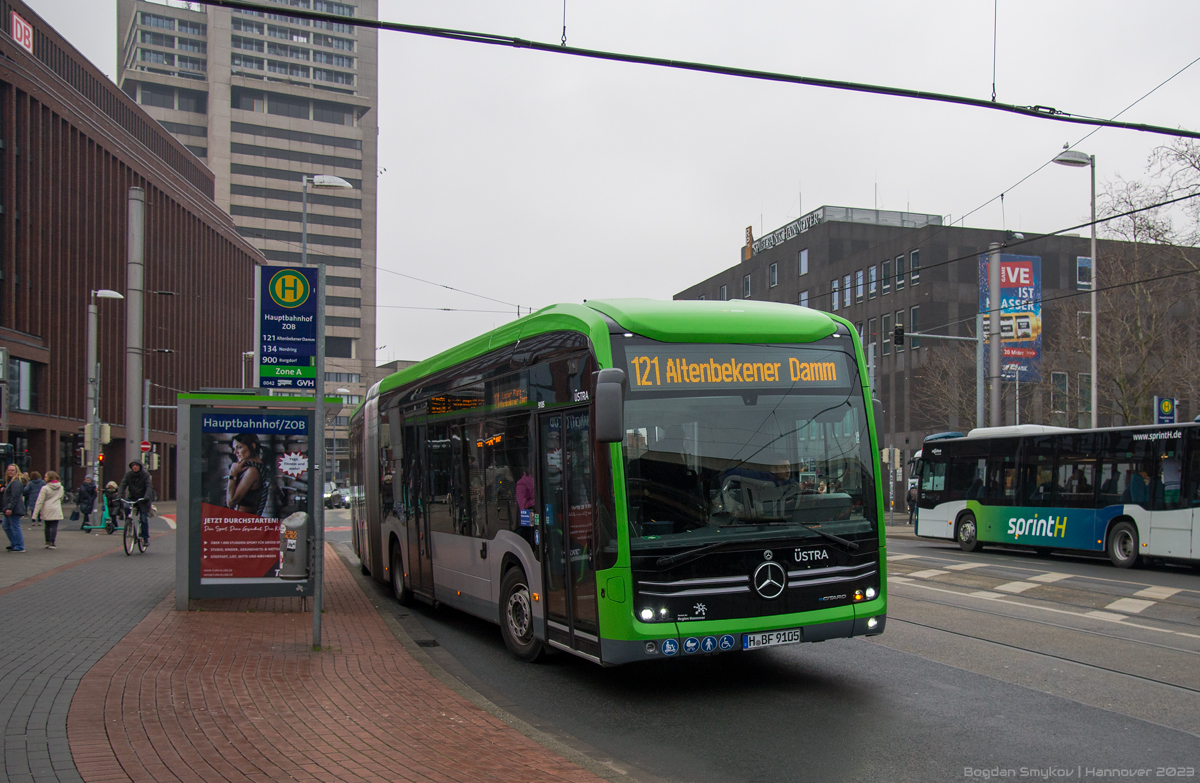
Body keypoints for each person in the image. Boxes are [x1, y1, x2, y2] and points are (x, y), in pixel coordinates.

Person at [226, 433, 268, 515]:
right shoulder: (256, 467)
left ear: (252, 446)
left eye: (239, 447)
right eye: (234, 448)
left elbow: (230, 503)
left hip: (244, 521)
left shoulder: (253, 471)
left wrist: (232, 474)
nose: (235, 452)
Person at [118, 461, 154, 548]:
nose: (135, 467)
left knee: (143, 518)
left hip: (143, 499)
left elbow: (149, 486)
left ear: (140, 467)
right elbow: (123, 484)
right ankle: (129, 525)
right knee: (126, 508)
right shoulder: (128, 475)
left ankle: (145, 538)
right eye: (133, 465)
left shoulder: (145, 475)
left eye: (136, 465)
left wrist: (147, 496)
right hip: (133, 497)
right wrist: (119, 495)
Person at [33, 471, 64, 549]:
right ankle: (52, 543)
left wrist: (35, 515)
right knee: (54, 526)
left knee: (47, 525)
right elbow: (61, 498)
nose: (44, 478)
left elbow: (40, 501)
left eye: (46, 477)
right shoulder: (61, 487)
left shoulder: (45, 488)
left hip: (47, 508)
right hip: (56, 507)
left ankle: (47, 542)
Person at [3, 464, 26, 552]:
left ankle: (19, 545)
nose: (10, 472)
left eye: (12, 470)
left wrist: (10, 508)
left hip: (14, 509)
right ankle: (14, 542)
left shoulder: (16, 482)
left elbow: (14, 496)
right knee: (6, 526)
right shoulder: (10, 482)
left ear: (16, 471)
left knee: (15, 526)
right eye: (9, 470)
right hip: (9, 508)